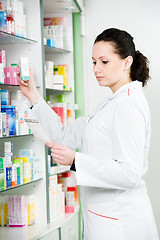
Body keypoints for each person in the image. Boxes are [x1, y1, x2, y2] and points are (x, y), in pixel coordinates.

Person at [18, 28, 159, 240]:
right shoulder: (110, 103)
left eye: (104, 61)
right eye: (94, 62)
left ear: (126, 62)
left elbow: (130, 173)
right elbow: (64, 135)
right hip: (104, 218)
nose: (96, 69)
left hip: (121, 224)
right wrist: (34, 96)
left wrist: (75, 160)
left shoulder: (128, 104)